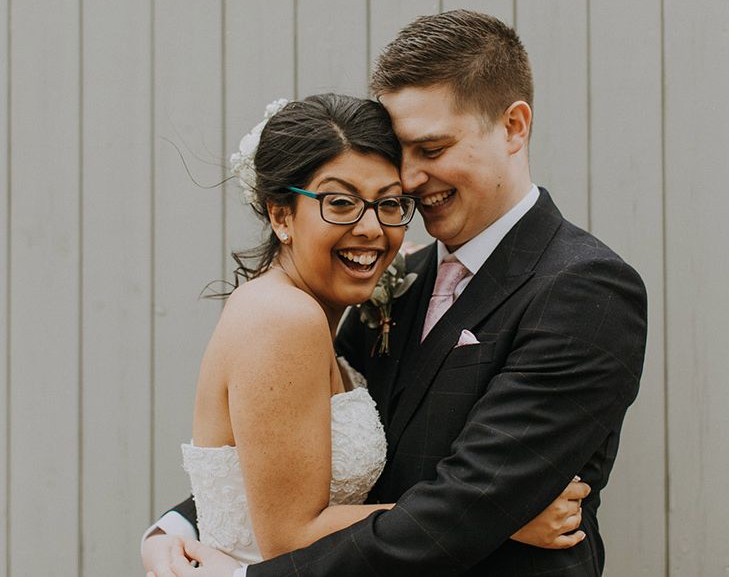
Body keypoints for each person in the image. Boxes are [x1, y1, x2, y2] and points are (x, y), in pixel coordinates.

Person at [142, 89, 590, 576]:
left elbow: (268, 467)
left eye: (389, 204)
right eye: (340, 202)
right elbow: (290, 536)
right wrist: (494, 520)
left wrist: (172, 527)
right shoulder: (284, 317)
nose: (372, 229)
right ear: (280, 214)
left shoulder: (329, 308)